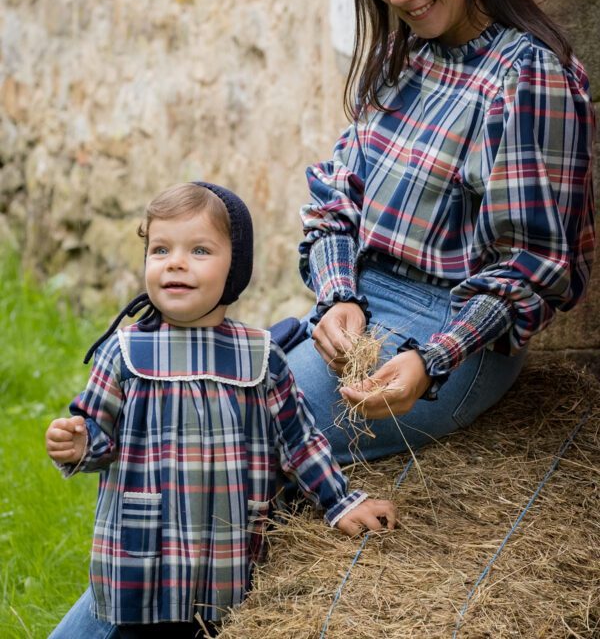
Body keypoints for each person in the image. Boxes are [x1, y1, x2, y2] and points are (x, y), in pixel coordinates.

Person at [285, 0, 595, 464]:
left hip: (452, 331)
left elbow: (533, 268)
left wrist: (432, 361)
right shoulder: (404, 61)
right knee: (192, 410)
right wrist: (337, 293)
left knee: (228, 437)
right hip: (367, 301)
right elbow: (335, 201)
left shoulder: (527, 77)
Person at [46, 182, 396, 639]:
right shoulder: (125, 352)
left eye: (199, 250)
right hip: (143, 560)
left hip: (225, 564)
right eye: (160, 249)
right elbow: (99, 433)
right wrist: (78, 443)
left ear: (235, 268)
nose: (175, 262)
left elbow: (299, 442)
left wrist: (340, 502)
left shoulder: (259, 357)